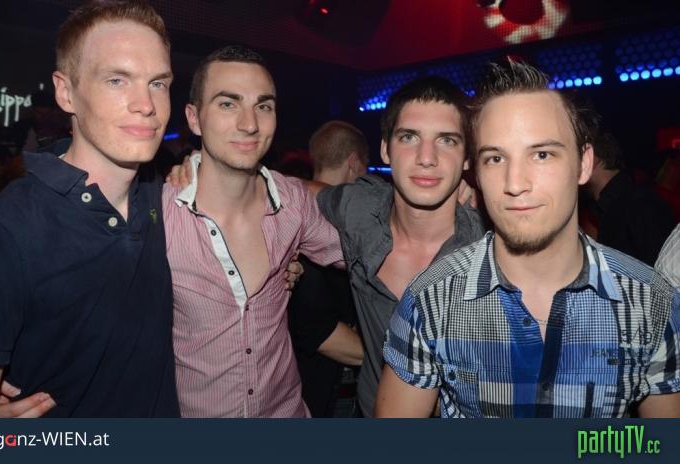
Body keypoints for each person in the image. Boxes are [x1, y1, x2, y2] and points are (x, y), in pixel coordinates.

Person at [377, 59, 680, 418]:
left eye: (542, 154)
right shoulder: (429, 301)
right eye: (495, 158)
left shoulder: (652, 303)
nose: (515, 183)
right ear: (476, 173)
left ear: (584, 163)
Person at [0, 0, 179, 417]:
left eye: (158, 83)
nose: (146, 104)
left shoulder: (162, 194)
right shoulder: (6, 229)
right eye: (117, 80)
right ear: (66, 92)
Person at [162, 46, 344, 417]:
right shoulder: (160, 215)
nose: (250, 124)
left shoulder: (293, 203)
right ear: (194, 118)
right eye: (228, 104)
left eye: (263, 106)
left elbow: (372, 253)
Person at [315, 77, 485, 416]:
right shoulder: (358, 208)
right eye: (409, 137)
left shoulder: (490, 249)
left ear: (467, 157)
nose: (426, 158)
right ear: (385, 149)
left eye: (447, 140)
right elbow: (290, 191)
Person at [287, 121, 367, 417]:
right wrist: (398, 362)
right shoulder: (309, 220)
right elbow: (319, 331)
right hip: (321, 393)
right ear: (354, 163)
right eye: (365, 166)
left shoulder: (293, 207)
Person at [585, 132, 675, 265]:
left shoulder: (640, 205)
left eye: (576, 157)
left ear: (591, 158)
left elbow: (667, 271)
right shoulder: (609, 209)